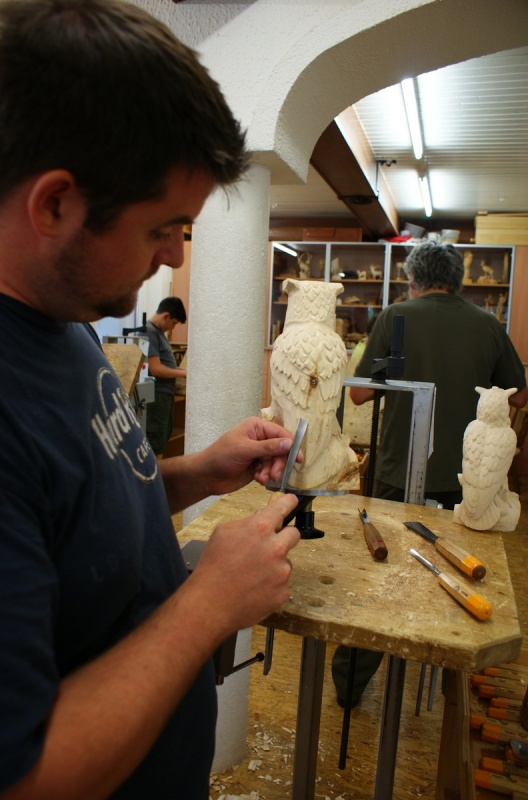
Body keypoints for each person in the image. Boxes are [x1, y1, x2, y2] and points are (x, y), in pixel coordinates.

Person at [0, 2, 302, 798]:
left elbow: (70, 508)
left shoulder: (63, 315)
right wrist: (208, 604)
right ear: (54, 205)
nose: (173, 255)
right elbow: (26, 777)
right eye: (163, 227)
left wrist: (196, 473)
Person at [332, 240, 528, 707]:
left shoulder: (394, 316)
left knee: (379, 578)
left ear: (413, 279)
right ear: (458, 280)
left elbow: (358, 395)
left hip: (399, 470)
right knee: (457, 578)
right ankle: (448, 687)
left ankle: (350, 683)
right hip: (466, 483)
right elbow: (519, 396)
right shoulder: (488, 324)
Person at [146, 296, 187, 456]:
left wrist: (182, 371)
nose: (173, 328)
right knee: (155, 438)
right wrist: (184, 373)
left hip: (165, 393)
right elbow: (156, 369)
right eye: (174, 323)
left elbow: (167, 365)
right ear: (165, 316)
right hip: (157, 394)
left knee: (164, 435)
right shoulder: (150, 332)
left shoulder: (159, 333)